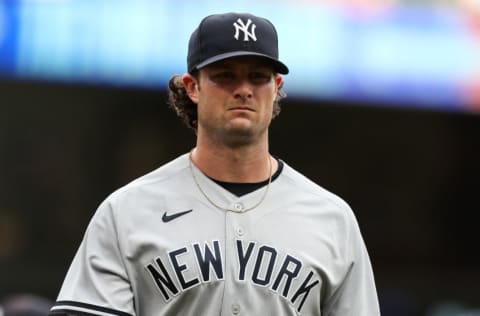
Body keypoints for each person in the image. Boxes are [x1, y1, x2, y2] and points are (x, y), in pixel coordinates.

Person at [49, 12, 380, 316]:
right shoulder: (126, 211)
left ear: (276, 88)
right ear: (192, 87)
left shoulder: (332, 218)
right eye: (224, 76)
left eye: (258, 77)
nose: (244, 90)